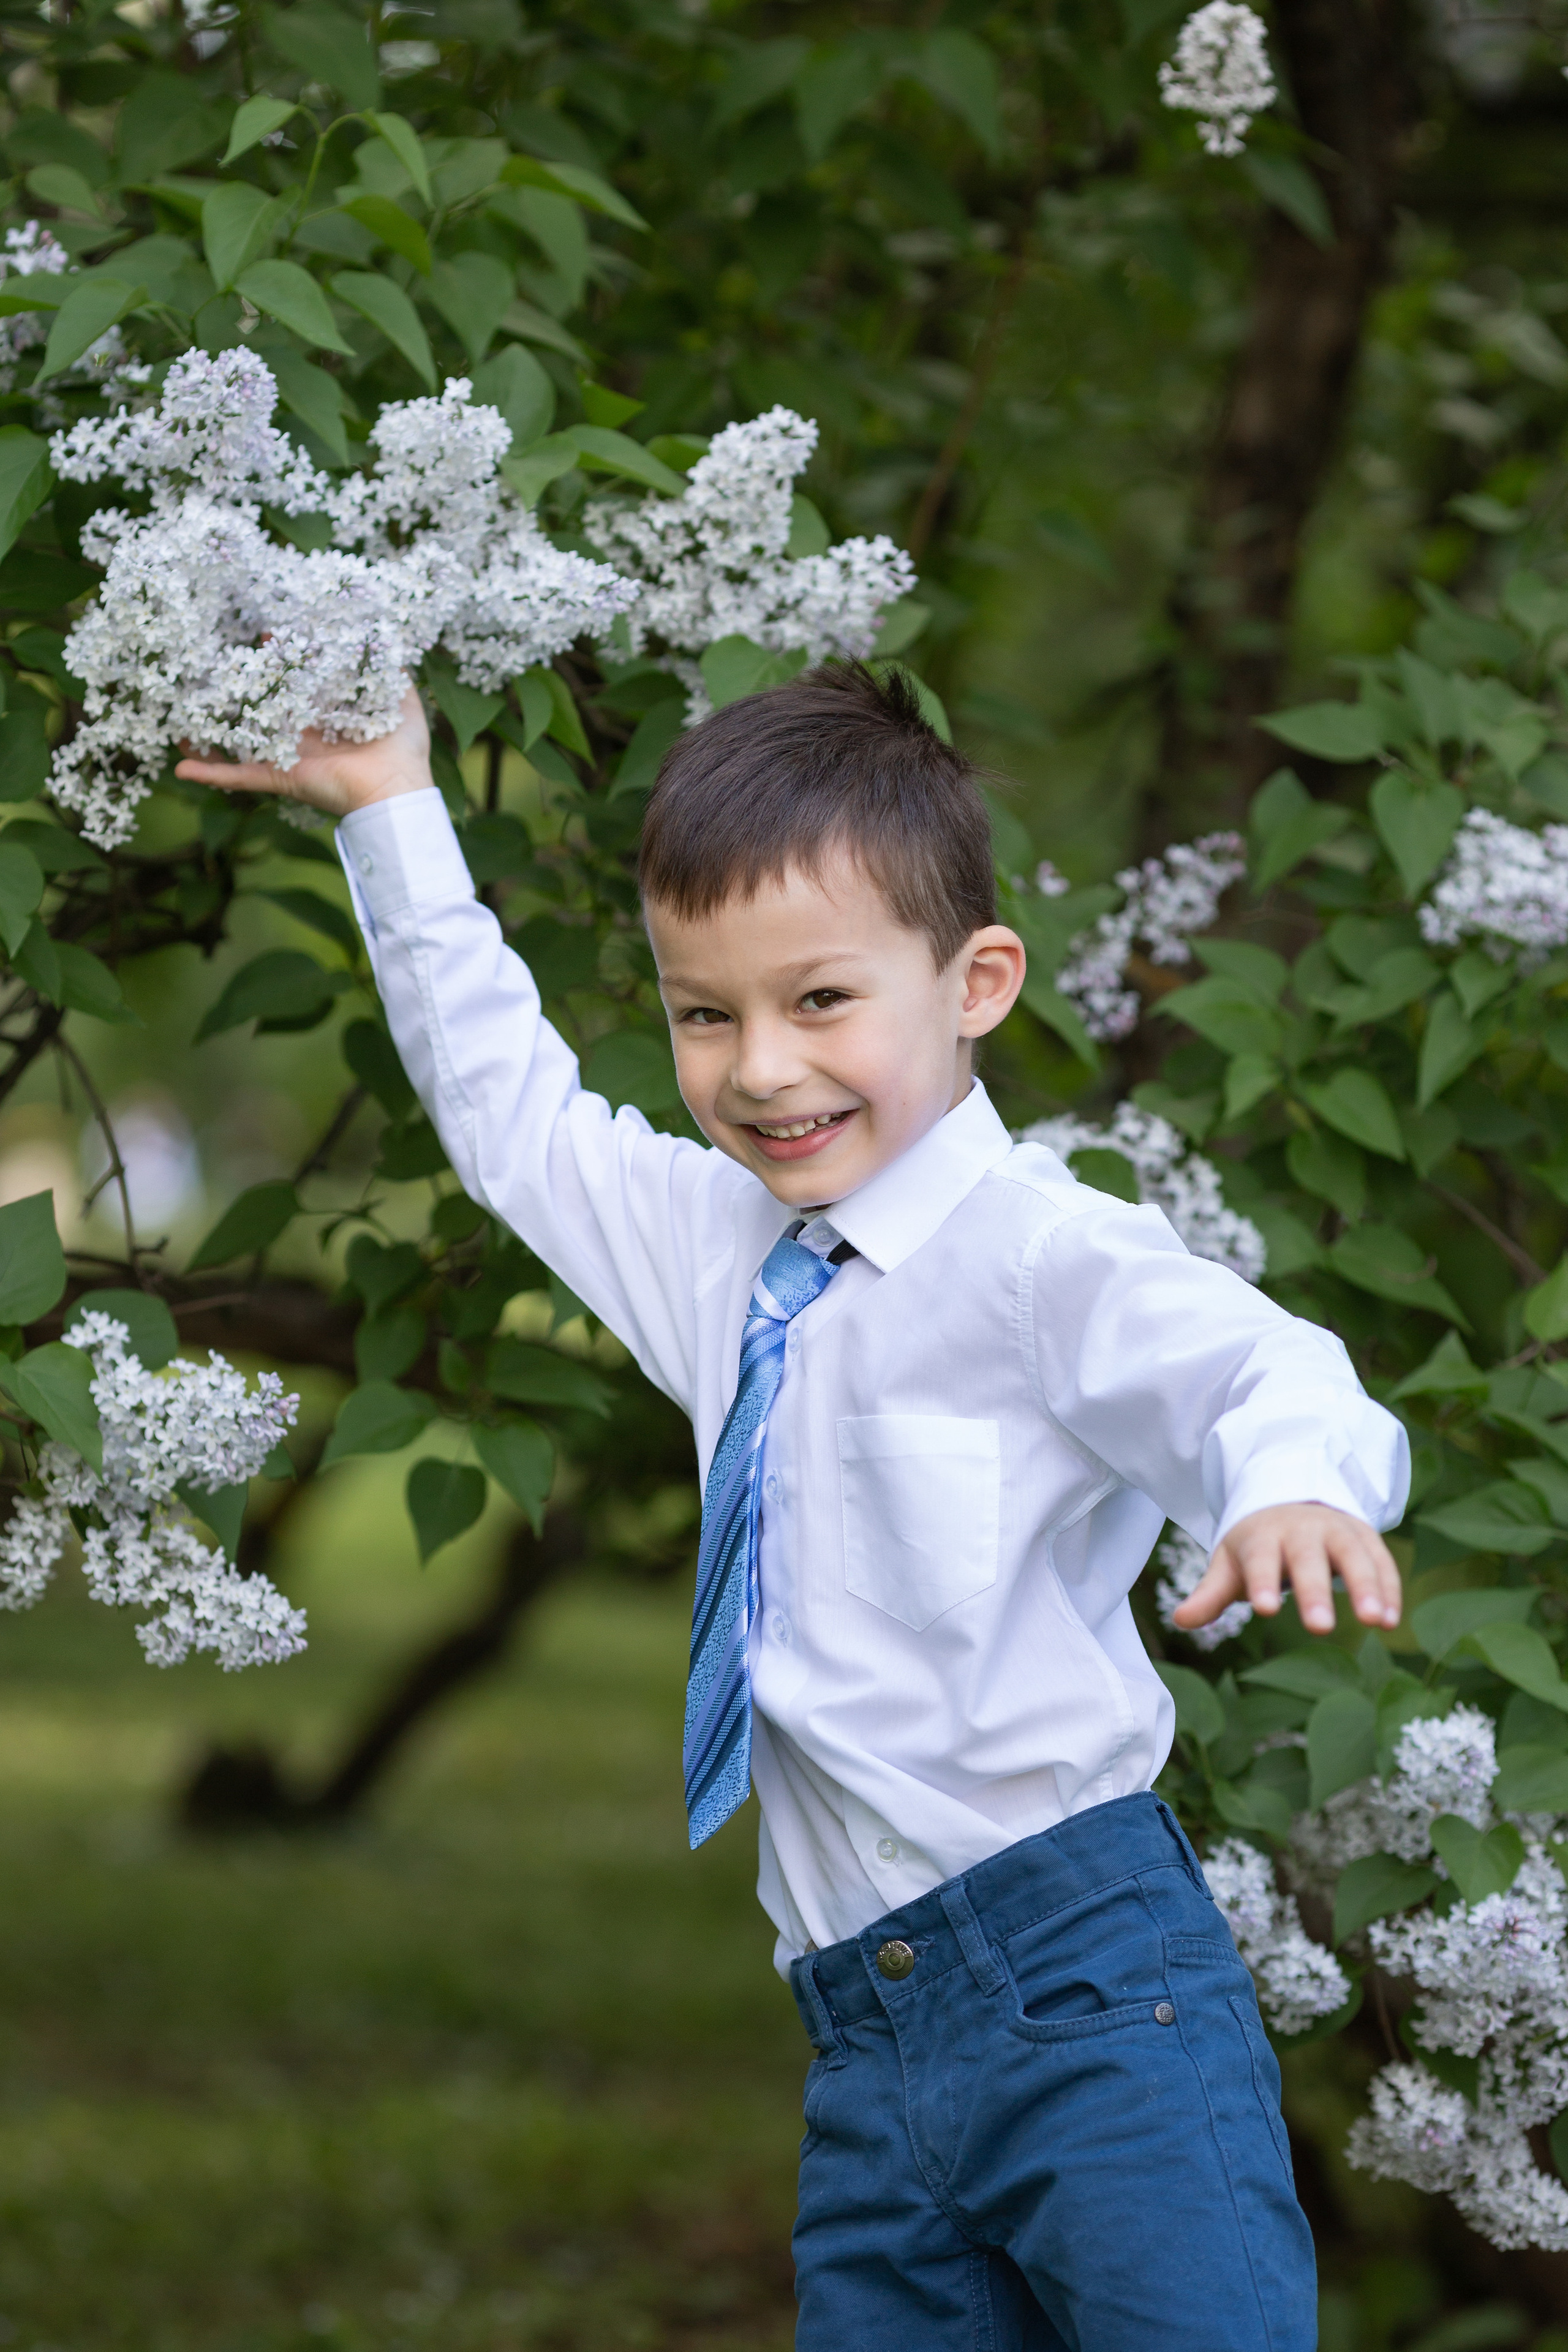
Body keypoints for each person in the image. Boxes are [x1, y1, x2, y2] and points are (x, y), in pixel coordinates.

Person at [179, 662, 1408, 2350]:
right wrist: (391, 803)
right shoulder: (718, 1251)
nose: (763, 1070)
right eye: (706, 1015)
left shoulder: (1043, 1257)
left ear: (975, 984)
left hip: (1094, 1998)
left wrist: (1290, 1490)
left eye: (822, 1001)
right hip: (864, 2039)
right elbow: (511, 1119)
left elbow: (1269, 1377)